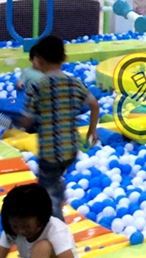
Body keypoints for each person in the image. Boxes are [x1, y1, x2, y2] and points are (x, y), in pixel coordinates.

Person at [20, 36, 99, 220]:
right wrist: (91, 131)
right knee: (54, 179)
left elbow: (27, 121)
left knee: (47, 191)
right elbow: (94, 104)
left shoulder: (37, 87)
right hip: (70, 149)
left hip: (50, 152)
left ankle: (56, 222)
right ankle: (58, 189)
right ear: (64, 58)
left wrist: (16, 123)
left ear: (38, 60)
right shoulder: (74, 83)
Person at [0, 184, 78, 258]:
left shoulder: (56, 230)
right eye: (15, 226)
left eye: (26, 226)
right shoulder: (12, 230)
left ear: (41, 218)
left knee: (42, 246)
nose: (21, 231)